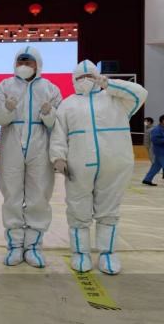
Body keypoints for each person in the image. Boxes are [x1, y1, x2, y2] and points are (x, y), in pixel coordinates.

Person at [50, 60, 147, 275]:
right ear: (73, 80)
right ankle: (80, 253)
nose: (85, 81)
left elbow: (140, 93)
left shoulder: (115, 99)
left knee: (109, 211)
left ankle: (108, 253)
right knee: (78, 210)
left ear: (98, 77)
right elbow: (58, 134)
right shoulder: (67, 104)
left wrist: (109, 84)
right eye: (80, 77)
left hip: (114, 164)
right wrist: (58, 157)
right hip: (78, 166)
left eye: (90, 77)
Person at [0, 47, 62, 268]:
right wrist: (7, 110)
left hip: (40, 145)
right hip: (11, 144)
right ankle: (15, 246)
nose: (24, 65)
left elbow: (57, 125)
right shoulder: (5, 86)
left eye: (28, 61)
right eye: (20, 61)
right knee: (11, 195)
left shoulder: (50, 88)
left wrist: (48, 114)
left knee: (39, 195)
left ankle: (33, 246)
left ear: (37, 64)